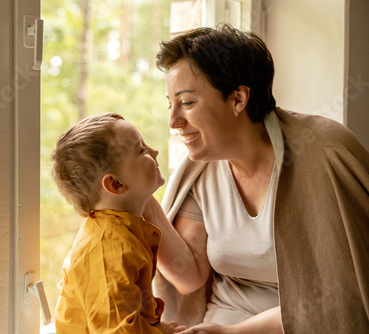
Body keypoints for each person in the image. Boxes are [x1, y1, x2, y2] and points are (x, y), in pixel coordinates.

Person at [143, 24, 369, 334]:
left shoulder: (328, 155)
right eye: (171, 104)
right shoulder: (199, 172)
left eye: (187, 103)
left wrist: (233, 332)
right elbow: (188, 275)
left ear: (238, 99)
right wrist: (140, 199)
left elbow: (343, 295)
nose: (174, 121)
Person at [52, 113, 186, 333]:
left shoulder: (124, 229)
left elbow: (128, 311)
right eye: (142, 150)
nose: (155, 151)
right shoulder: (108, 250)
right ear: (115, 184)